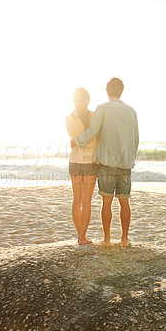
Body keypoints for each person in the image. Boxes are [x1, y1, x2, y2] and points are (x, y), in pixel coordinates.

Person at [71, 78, 139, 247]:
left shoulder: (102, 109)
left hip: (106, 163)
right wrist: (131, 158)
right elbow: (136, 138)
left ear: (107, 91)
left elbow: (92, 131)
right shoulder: (131, 111)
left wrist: (77, 141)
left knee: (106, 202)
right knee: (125, 202)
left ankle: (107, 240)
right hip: (125, 163)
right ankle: (124, 240)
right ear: (121, 91)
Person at [66, 88, 98, 245]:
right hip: (90, 161)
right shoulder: (94, 117)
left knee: (77, 200)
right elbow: (95, 135)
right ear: (88, 99)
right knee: (86, 201)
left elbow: (73, 138)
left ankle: (80, 235)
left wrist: (77, 141)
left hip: (75, 160)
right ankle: (82, 237)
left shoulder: (68, 118)